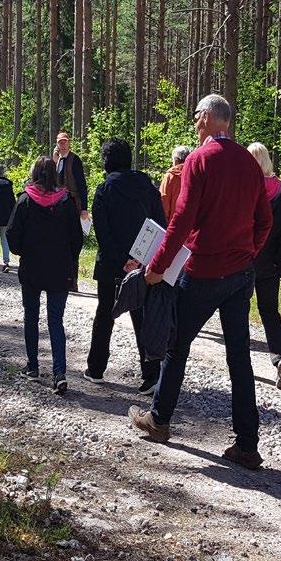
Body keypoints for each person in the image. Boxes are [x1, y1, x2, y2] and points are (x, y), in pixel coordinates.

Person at [128, 94, 272, 471]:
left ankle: (159, 420)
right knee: (239, 357)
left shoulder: (199, 159)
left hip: (204, 270)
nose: (194, 123)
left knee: (177, 347)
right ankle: (247, 444)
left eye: (196, 117)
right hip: (241, 274)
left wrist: (156, 266)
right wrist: (249, 253)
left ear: (208, 118)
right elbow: (265, 220)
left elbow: (182, 220)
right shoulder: (249, 162)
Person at [84, 139, 167, 394]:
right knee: (142, 316)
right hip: (143, 264)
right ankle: (151, 374)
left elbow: (103, 231)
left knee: (105, 314)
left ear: (107, 160)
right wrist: (140, 260)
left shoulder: (103, 190)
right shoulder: (149, 188)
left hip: (111, 264)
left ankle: (96, 369)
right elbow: (160, 226)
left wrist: (122, 261)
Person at [7, 156, 84, 394]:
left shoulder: (24, 200)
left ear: (34, 173)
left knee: (31, 316)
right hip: (59, 270)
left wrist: (23, 251)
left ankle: (33, 367)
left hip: (32, 268)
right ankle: (59, 372)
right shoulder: (66, 202)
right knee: (55, 321)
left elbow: (12, 236)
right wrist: (70, 259)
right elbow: (77, 239)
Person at [247, 142, 281, 391]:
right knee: (270, 312)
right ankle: (279, 357)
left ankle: (240, 363)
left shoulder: (244, 189)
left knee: (238, 310)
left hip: (244, 259)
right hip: (271, 262)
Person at [55, 131, 88, 290]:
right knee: (59, 241)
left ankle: (73, 281)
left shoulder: (75, 160)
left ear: (69, 143)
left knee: (74, 242)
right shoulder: (57, 160)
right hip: (59, 204)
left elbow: (82, 185)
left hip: (73, 204)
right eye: (60, 142)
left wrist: (84, 209)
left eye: (64, 142)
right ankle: (61, 278)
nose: (62, 144)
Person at [159, 145, 192, 224]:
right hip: (193, 226)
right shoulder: (196, 173)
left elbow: (163, 202)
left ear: (176, 160)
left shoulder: (170, 176)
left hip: (174, 225)